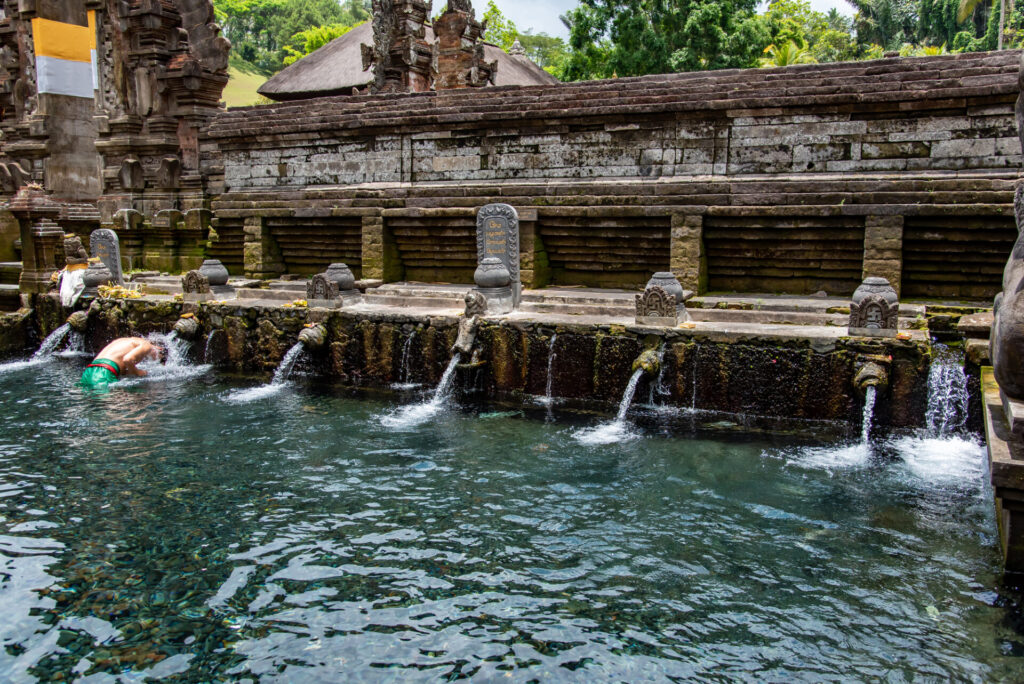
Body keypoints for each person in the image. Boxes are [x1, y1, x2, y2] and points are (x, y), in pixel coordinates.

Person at [80, 337, 164, 388]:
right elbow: (127, 360)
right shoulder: (146, 345)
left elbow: (118, 363)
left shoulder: (123, 340)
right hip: (105, 372)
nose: (155, 359)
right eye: (159, 357)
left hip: (89, 370)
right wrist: (138, 372)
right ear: (159, 349)